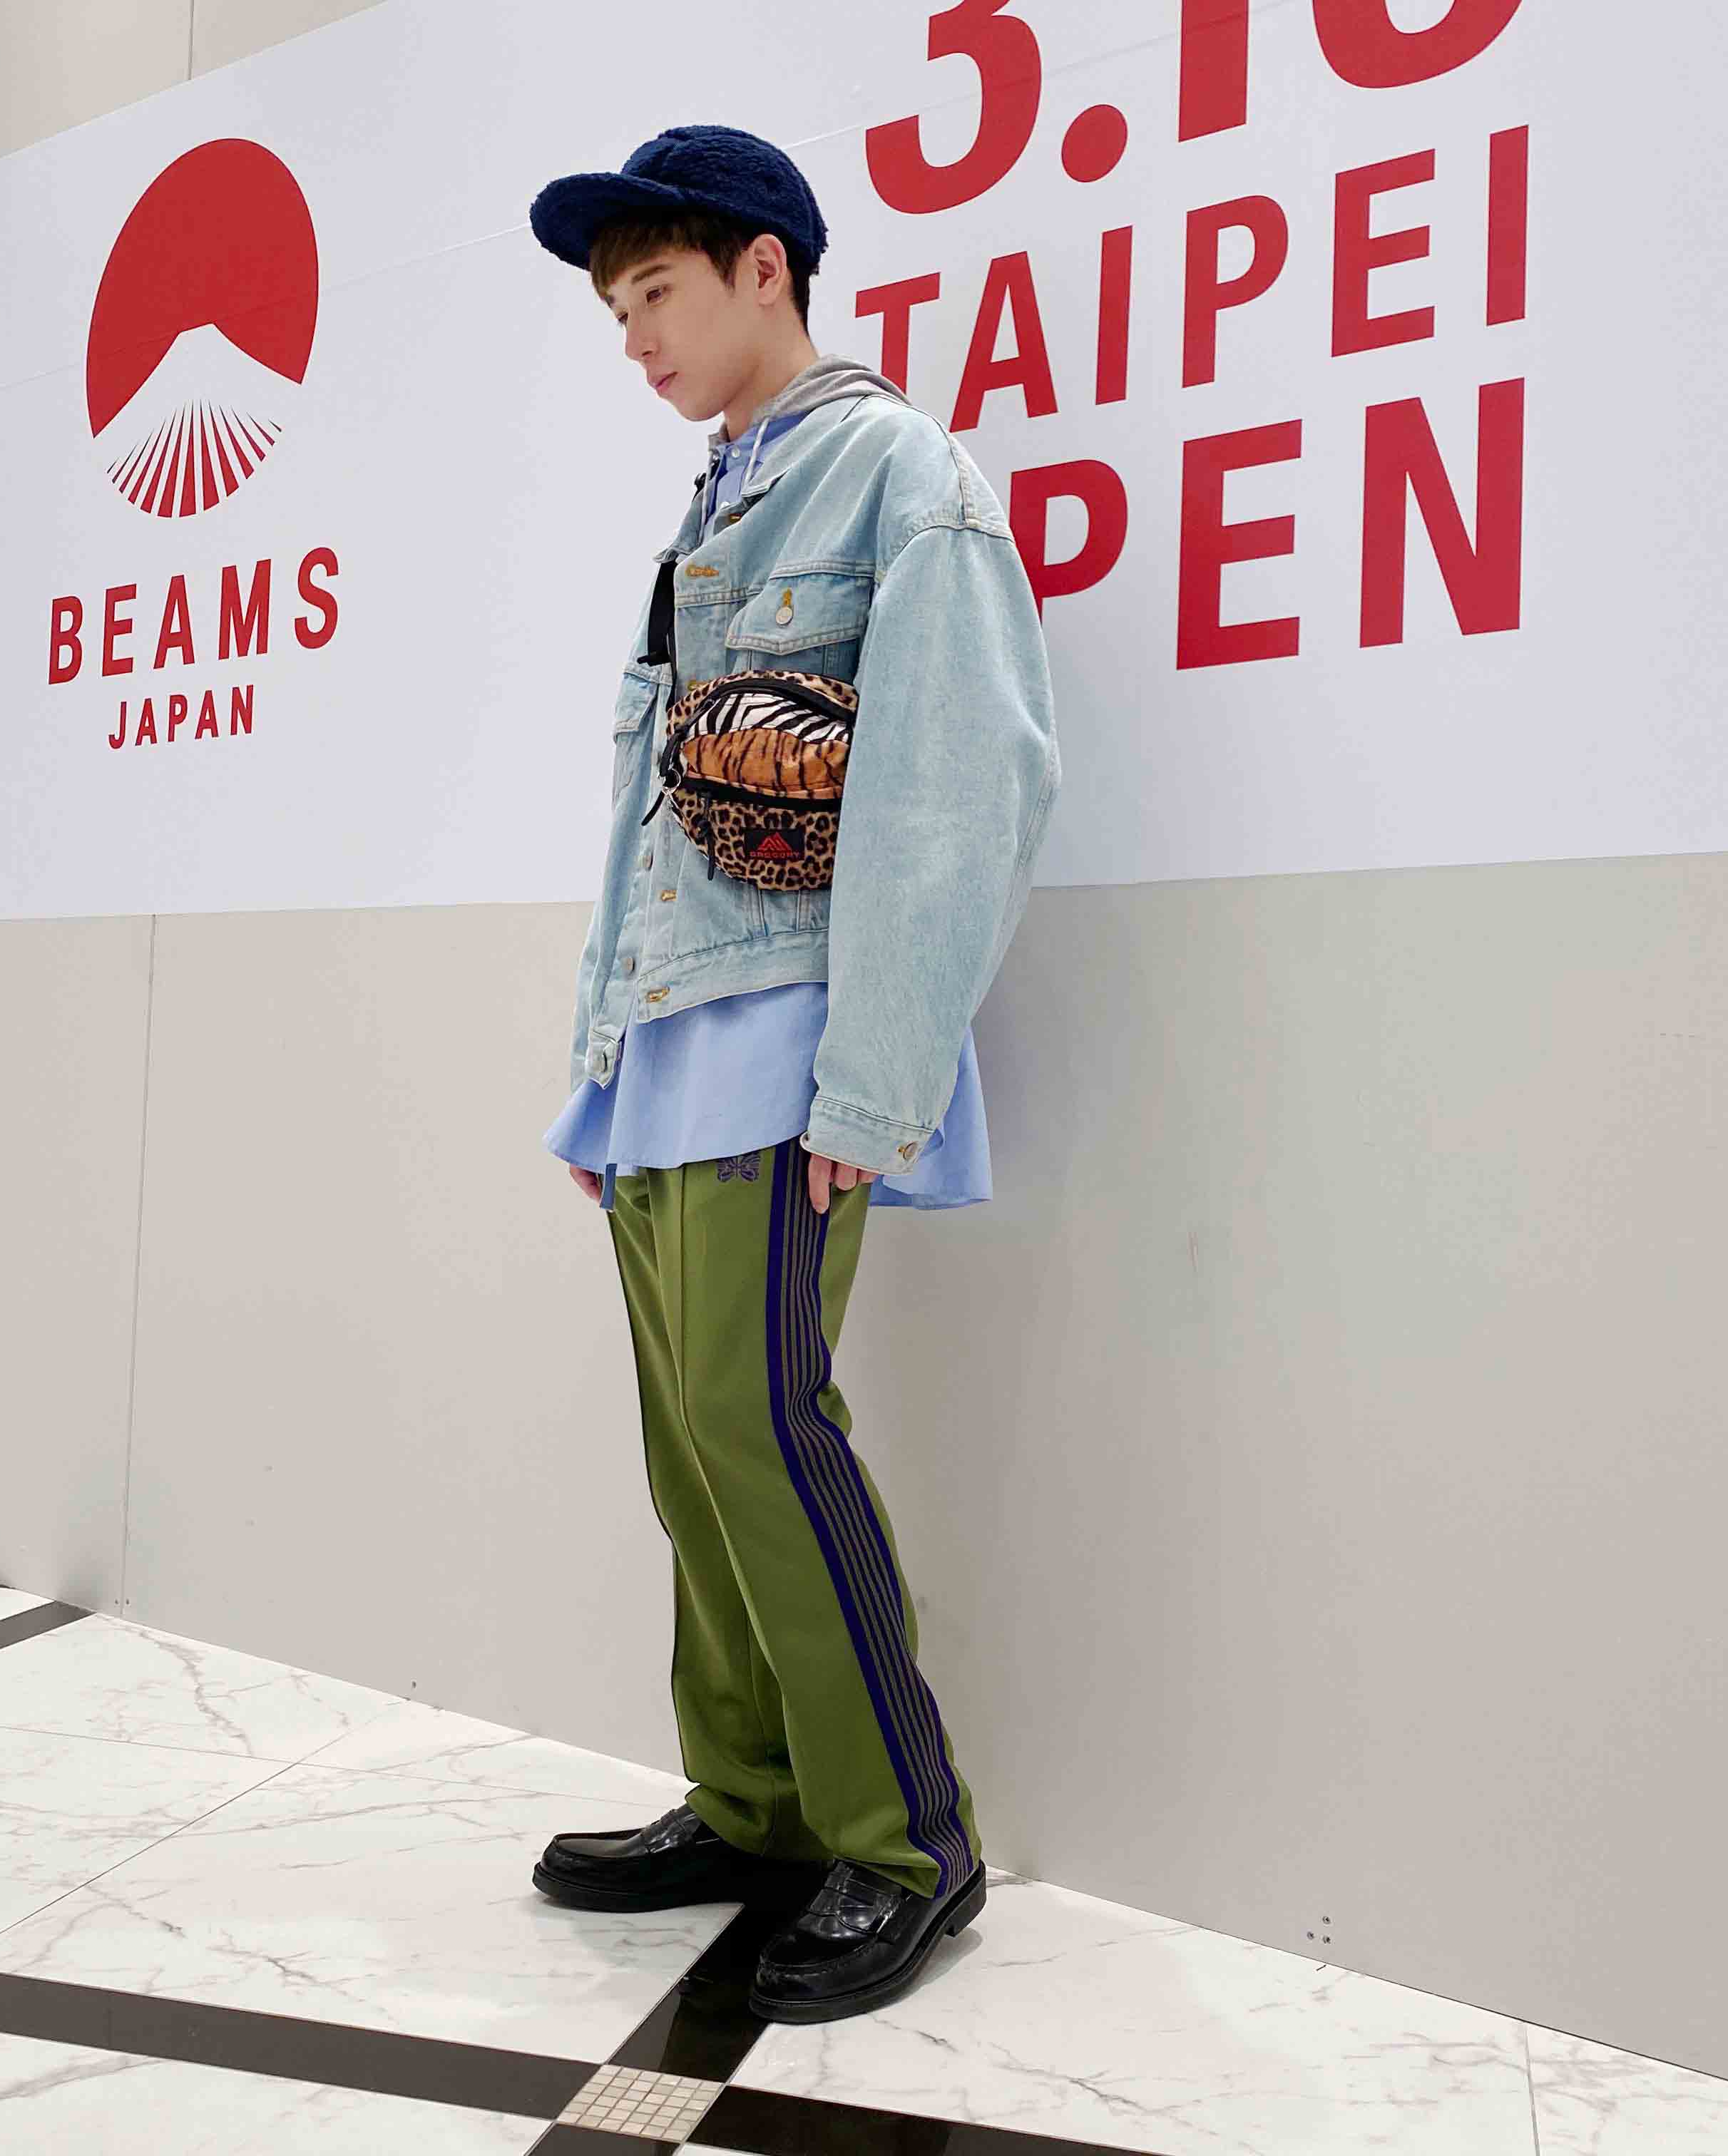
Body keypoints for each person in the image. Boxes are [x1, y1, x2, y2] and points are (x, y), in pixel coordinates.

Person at [524, 124, 1060, 2025]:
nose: (634, 338)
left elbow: (958, 798)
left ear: (769, 268)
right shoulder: (714, 506)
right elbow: (648, 816)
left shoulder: (903, 481)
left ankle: (907, 1845)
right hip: (671, 1052)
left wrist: (875, 1087)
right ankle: (753, 1805)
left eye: (655, 293)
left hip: (786, 1051)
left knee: (762, 1424)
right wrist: (600, 1060)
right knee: (693, 1448)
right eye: (616, 309)